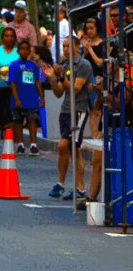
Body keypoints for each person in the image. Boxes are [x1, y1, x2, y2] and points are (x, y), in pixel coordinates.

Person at [47, 37, 93, 200]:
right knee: (75, 150)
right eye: (64, 46)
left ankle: (61, 183)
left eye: (68, 46)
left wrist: (61, 78)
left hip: (79, 111)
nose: (65, 49)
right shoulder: (64, 65)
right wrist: (53, 78)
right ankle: (80, 189)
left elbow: (76, 89)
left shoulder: (83, 65)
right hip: (65, 110)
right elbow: (59, 92)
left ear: (77, 46)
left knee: (64, 145)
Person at [8, 41, 44, 156]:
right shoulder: (13, 65)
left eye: (26, 49)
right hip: (18, 98)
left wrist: (42, 97)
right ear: (18, 51)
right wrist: (17, 99)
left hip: (31, 97)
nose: (24, 51)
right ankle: (20, 144)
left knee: (31, 120)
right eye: (21, 49)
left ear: (29, 51)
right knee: (18, 121)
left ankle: (33, 145)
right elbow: (12, 83)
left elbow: (37, 82)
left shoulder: (33, 66)